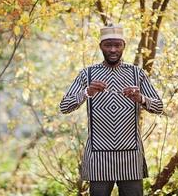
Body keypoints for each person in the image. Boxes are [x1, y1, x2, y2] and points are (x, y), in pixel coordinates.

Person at [59, 24, 163, 196]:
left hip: (130, 157)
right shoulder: (87, 74)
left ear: (124, 45)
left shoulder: (137, 74)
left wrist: (141, 99)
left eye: (117, 45)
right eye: (108, 45)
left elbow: (159, 107)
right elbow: (64, 106)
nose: (113, 49)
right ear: (100, 46)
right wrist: (87, 92)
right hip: (98, 157)